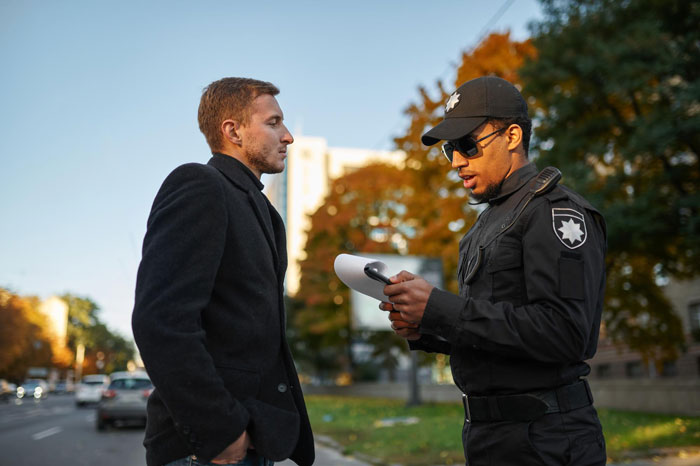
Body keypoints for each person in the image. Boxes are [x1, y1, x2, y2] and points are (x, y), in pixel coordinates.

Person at [381, 76, 607, 465]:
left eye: (468, 145)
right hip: (489, 438)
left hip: (547, 440)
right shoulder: (481, 229)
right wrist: (427, 327)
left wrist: (440, 309)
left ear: (513, 136)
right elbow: (496, 335)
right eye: (451, 149)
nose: (456, 162)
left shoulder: (553, 212)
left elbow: (565, 334)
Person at [132, 77, 314, 466]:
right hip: (207, 451)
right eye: (274, 122)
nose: (288, 137)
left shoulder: (264, 212)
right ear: (232, 131)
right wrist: (220, 430)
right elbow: (161, 321)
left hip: (253, 439)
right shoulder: (200, 185)